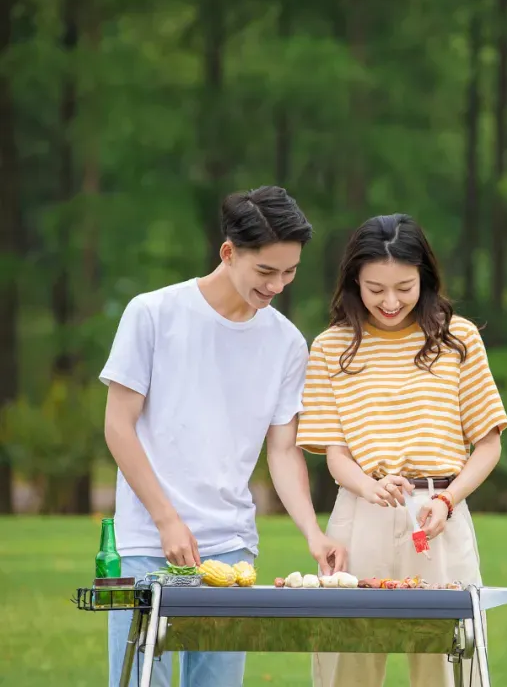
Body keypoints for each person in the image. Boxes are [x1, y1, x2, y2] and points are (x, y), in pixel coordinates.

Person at [100, 186, 347, 687]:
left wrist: (312, 532)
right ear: (229, 252)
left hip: (231, 552)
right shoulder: (153, 314)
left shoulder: (286, 343)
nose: (278, 285)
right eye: (266, 271)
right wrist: (167, 520)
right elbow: (117, 426)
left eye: (290, 271)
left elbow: (282, 450)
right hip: (149, 542)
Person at [298, 213, 507, 687]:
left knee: (451, 664)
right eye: (375, 289)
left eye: (404, 287)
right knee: (346, 664)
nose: (390, 302)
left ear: (425, 279)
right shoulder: (331, 347)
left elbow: (488, 444)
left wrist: (446, 500)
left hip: (440, 516)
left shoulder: (459, 338)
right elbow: (335, 454)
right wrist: (370, 486)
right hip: (360, 515)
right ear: (354, 280)